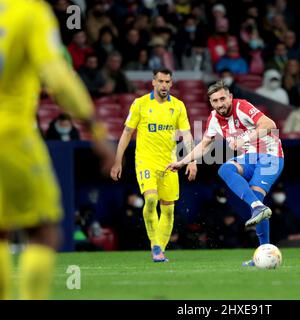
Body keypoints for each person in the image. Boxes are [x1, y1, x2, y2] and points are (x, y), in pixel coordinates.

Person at [0, 0, 114, 300]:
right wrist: (96, 129)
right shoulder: (28, 11)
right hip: (10, 134)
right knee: (43, 231)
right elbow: (58, 77)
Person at [167, 80, 284, 266]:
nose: (220, 104)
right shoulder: (213, 119)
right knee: (225, 169)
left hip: (271, 156)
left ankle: (263, 248)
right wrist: (182, 162)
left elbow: (269, 124)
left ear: (230, 97)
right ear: (211, 103)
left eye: (223, 98)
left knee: (256, 197)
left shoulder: (242, 106)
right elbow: (204, 146)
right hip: (250, 157)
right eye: (215, 101)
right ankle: (261, 235)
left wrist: (244, 137)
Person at [110, 68, 197, 263]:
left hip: (170, 165)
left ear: (171, 84)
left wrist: (192, 161)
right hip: (146, 162)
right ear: (153, 82)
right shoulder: (140, 104)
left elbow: (187, 135)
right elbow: (126, 133)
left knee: (168, 210)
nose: (164, 85)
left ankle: (159, 250)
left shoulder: (178, 106)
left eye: (167, 82)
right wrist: (118, 161)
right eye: (161, 81)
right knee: (150, 200)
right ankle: (154, 244)